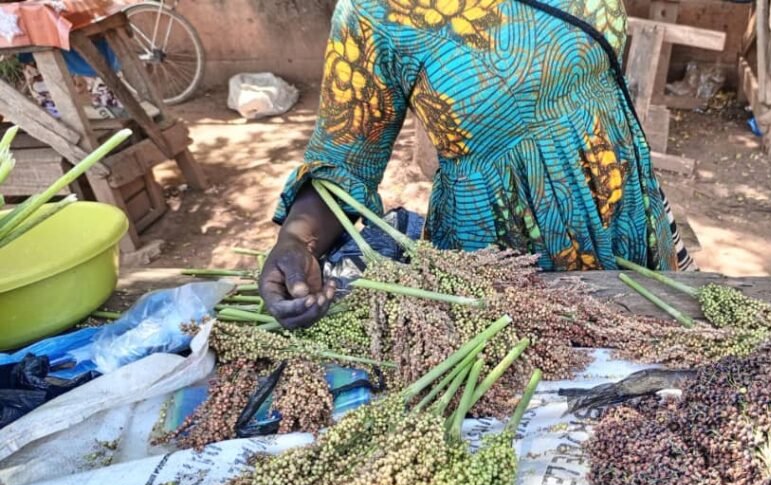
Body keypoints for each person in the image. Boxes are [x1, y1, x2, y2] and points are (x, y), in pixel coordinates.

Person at [259, 0, 695, 329]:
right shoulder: (377, 13)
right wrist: (298, 240)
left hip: (626, 212)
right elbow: (344, 161)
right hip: (508, 254)